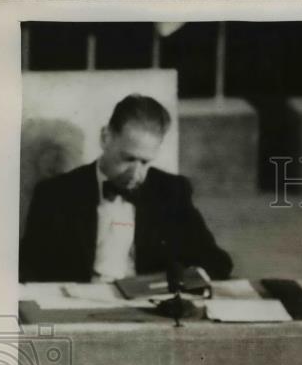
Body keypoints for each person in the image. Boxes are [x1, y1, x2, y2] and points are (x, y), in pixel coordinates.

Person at [20, 94, 233, 283]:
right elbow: (28, 266)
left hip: (147, 308)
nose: (136, 173)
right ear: (105, 137)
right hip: (79, 305)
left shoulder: (172, 191)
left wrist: (185, 277)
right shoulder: (55, 193)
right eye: (128, 158)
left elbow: (216, 260)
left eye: (145, 162)